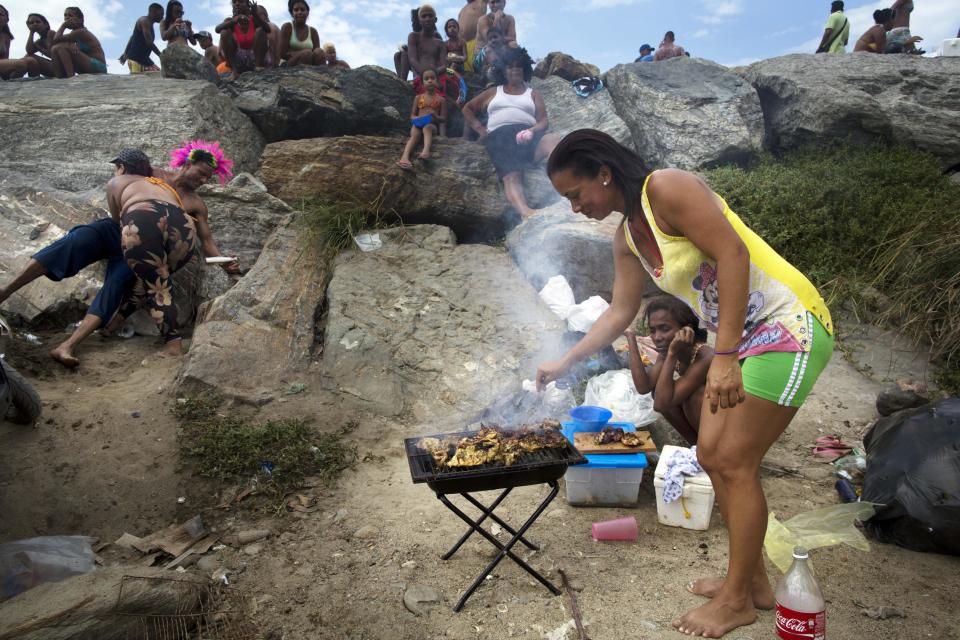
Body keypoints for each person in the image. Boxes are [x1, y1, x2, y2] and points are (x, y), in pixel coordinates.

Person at [536, 129, 834, 638]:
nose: (575, 207)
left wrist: (724, 355)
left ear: (603, 174)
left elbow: (734, 255)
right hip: (741, 340)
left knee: (733, 460)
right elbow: (621, 311)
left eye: (576, 194)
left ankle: (738, 601)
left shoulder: (666, 188)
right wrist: (565, 361)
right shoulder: (627, 236)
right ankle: (754, 584)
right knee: (712, 455)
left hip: (787, 326)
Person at [0, 150, 148, 367]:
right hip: (135, 241)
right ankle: (67, 345)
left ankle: (7, 292)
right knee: (111, 285)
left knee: (74, 248)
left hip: (123, 235)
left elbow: (117, 217)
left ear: (122, 168)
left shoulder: (118, 182)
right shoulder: (153, 184)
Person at [109, 141, 237, 357]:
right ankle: (112, 326)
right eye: (201, 173)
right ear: (187, 164)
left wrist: (225, 261)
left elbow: (207, 242)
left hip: (171, 249)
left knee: (155, 283)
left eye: (208, 178)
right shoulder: (153, 175)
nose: (204, 181)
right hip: (141, 234)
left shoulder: (196, 204)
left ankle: (172, 343)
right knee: (147, 283)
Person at [462, 47, 562, 220]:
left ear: (524, 69)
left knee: (554, 140)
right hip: (500, 138)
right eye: (510, 66)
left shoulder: (533, 94)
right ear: (504, 70)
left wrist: (532, 130)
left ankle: (567, 191)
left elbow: (543, 121)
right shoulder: (494, 92)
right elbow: (467, 108)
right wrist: (480, 130)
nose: (514, 69)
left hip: (528, 138)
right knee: (511, 174)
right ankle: (525, 212)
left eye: (518, 66)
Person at [625, 296, 713, 445]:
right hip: (707, 425)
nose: (657, 337)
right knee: (661, 391)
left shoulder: (705, 356)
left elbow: (660, 404)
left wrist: (671, 354)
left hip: (730, 424)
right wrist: (631, 339)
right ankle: (696, 448)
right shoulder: (670, 349)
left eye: (664, 329)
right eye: (653, 330)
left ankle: (707, 449)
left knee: (692, 395)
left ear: (687, 330)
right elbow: (643, 387)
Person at [397, 69, 446, 170]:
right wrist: (417, 118)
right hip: (418, 124)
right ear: (422, 83)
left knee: (427, 128)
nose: (429, 81)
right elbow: (412, 115)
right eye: (426, 79)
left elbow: (443, 119)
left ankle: (425, 152)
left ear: (437, 81)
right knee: (415, 134)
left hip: (432, 126)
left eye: (432, 78)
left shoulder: (441, 100)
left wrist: (435, 116)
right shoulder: (418, 97)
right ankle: (404, 157)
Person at [216, 0, 270, 80]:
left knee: (261, 31)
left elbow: (268, 29)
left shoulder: (253, 19)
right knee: (224, 32)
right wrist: (234, 21)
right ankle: (235, 71)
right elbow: (217, 29)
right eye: (234, 2)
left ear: (247, 4)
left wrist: (255, 15)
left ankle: (258, 66)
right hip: (239, 62)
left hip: (254, 58)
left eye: (241, 2)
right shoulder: (230, 21)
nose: (237, 4)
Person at [49, 7, 107, 77]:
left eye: (70, 16)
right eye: (65, 15)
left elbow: (56, 39)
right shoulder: (74, 33)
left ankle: (70, 77)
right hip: (87, 65)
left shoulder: (81, 32)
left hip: (99, 67)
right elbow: (56, 43)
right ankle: (60, 77)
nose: (67, 18)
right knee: (54, 49)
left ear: (80, 20)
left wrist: (63, 26)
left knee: (60, 47)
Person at [119, 3, 163, 73]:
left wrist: (125, 53)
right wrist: (161, 55)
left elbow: (132, 37)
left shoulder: (149, 24)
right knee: (154, 76)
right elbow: (149, 43)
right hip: (135, 60)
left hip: (144, 59)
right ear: (154, 12)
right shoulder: (144, 21)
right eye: (161, 14)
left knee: (159, 73)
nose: (162, 16)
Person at [279, 0, 324, 67]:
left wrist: (307, 54)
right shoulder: (287, 27)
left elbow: (316, 53)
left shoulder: (313, 31)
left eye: (302, 10)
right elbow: (282, 53)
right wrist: (303, 53)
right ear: (292, 13)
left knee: (319, 52)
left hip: (309, 63)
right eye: (296, 10)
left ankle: (321, 75)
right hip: (288, 64)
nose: (299, 12)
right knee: (307, 54)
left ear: (307, 12)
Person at [408, 5, 446, 82]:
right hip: (419, 78)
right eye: (424, 16)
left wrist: (433, 74)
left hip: (436, 78)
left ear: (435, 19)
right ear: (419, 20)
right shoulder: (413, 37)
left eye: (430, 16)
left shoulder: (440, 43)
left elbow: (444, 65)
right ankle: (402, 80)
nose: (427, 19)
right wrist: (425, 74)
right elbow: (412, 59)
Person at [458, 0, 487, 74]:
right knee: (463, 71)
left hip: (476, 41)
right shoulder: (462, 9)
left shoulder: (481, 1)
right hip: (462, 45)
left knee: (476, 68)